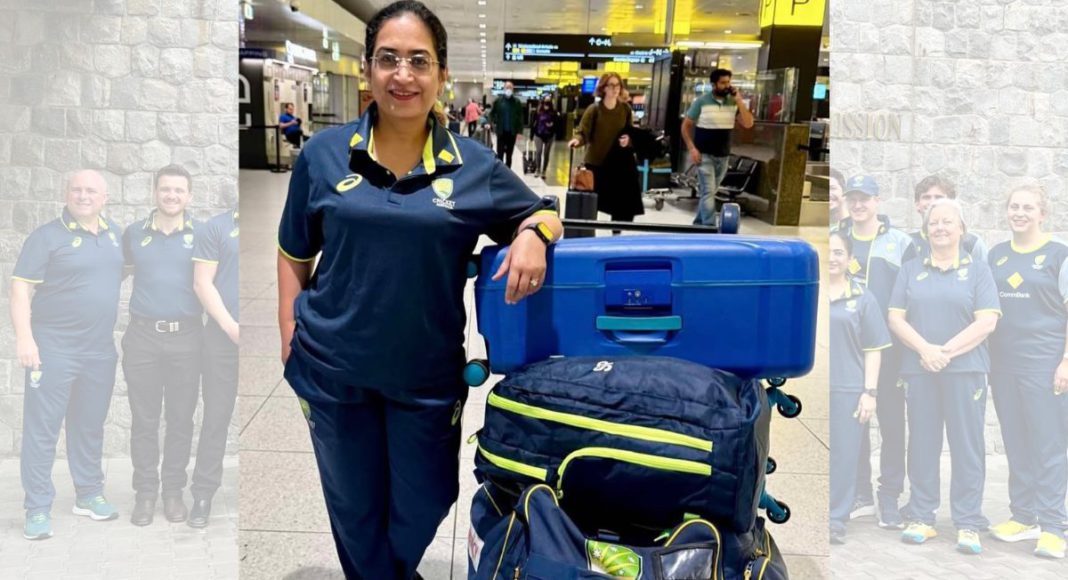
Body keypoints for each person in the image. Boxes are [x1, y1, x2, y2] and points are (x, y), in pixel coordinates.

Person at [275, 2, 562, 577]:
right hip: (333, 367)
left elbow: (542, 210)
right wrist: (288, 334)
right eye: (388, 59)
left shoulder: (472, 165)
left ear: (441, 74)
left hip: (426, 374)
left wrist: (535, 234)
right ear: (368, 69)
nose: (402, 75)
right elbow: (294, 251)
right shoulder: (323, 155)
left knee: (427, 499)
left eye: (418, 61)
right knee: (354, 509)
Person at [12, 170, 124, 540]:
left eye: (91, 190)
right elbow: (20, 290)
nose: (83, 195)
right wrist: (25, 339)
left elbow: (112, 277)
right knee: (42, 430)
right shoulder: (45, 237)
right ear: (66, 194)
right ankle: (37, 508)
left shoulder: (113, 235)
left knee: (89, 426)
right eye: (76, 189)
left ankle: (88, 494)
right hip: (53, 350)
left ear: (105, 197)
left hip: (99, 351)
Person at [888, 198, 1000, 555]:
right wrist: (925, 350)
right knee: (922, 443)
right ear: (925, 230)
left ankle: (968, 521)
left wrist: (945, 352)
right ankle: (922, 516)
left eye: (947, 221)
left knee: (967, 446)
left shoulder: (978, 270)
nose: (939, 227)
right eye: (933, 222)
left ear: (961, 229)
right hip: (920, 369)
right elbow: (895, 318)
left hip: (966, 370)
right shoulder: (910, 269)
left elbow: (987, 322)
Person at [986, 184, 1068, 559]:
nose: (1019, 213)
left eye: (1028, 207)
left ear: (1042, 214)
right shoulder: (997, 255)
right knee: (1016, 440)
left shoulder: (1059, 256)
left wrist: (1065, 361)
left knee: (1047, 444)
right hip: (1004, 364)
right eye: (1014, 206)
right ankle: (1023, 516)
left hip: (1044, 364)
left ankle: (1053, 526)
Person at [121, 165, 202, 526]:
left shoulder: (201, 235)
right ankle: (145, 494)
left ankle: (172, 492)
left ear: (189, 196)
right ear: (154, 192)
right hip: (143, 338)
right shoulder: (133, 234)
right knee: (144, 420)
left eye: (178, 190)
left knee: (181, 419)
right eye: (165, 189)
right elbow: (112, 274)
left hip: (187, 337)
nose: (171, 195)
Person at [832, 175, 914, 528]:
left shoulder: (901, 243)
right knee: (855, 425)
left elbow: (912, 295)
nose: (858, 204)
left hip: (889, 350)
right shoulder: (838, 238)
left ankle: (889, 495)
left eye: (865, 198)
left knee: (892, 424)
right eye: (853, 198)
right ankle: (860, 493)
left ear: (878, 201)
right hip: (851, 351)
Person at [828, 230, 891, 545]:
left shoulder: (863, 298)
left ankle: (835, 519)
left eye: (839, 252)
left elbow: (874, 348)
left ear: (850, 258)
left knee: (844, 456)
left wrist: (870, 392)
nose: (832, 258)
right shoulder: (811, 293)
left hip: (849, 388)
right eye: (827, 251)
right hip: (817, 385)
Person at [189, 206, 240, 528]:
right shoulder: (216, 227)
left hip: (263, 336)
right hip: (222, 340)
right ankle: (203, 494)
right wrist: (231, 327)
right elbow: (202, 283)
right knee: (216, 417)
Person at [568, 73, 644, 230]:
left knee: (619, 206)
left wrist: (629, 140)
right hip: (596, 164)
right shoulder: (594, 110)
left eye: (618, 85)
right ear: (603, 88)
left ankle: (616, 235)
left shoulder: (625, 109)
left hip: (617, 164)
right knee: (591, 205)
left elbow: (630, 132)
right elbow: (583, 132)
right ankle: (587, 233)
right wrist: (577, 140)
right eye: (611, 85)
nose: (615, 89)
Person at [680, 68, 755, 226]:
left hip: (723, 155)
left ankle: (698, 224)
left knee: (710, 192)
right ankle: (709, 226)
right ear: (714, 84)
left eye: (728, 82)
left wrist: (739, 101)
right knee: (708, 191)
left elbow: (748, 124)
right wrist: (692, 148)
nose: (727, 86)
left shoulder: (733, 102)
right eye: (723, 83)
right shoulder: (701, 102)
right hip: (704, 155)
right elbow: (685, 127)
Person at [903, 175, 988, 264]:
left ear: (951, 203)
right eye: (926, 197)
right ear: (917, 205)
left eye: (938, 197)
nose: (932, 202)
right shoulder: (907, 243)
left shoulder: (971, 243)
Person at [490, 80, 524, 168]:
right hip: (501, 132)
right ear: (504, 89)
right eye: (507, 87)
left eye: (510, 88)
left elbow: (520, 117)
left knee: (509, 155)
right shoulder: (498, 101)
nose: (508, 89)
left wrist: (520, 131)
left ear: (513, 89)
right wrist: (492, 123)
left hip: (512, 133)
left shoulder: (517, 102)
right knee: (500, 154)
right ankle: (501, 171)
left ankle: (508, 172)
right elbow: (492, 113)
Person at [532, 95, 556, 179]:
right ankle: (538, 169)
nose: (547, 104)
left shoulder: (553, 113)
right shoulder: (538, 112)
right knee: (538, 151)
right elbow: (533, 123)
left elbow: (557, 124)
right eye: (545, 102)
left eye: (548, 102)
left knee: (546, 153)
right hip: (538, 134)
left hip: (549, 135)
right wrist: (531, 135)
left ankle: (544, 170)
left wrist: (552, 125)